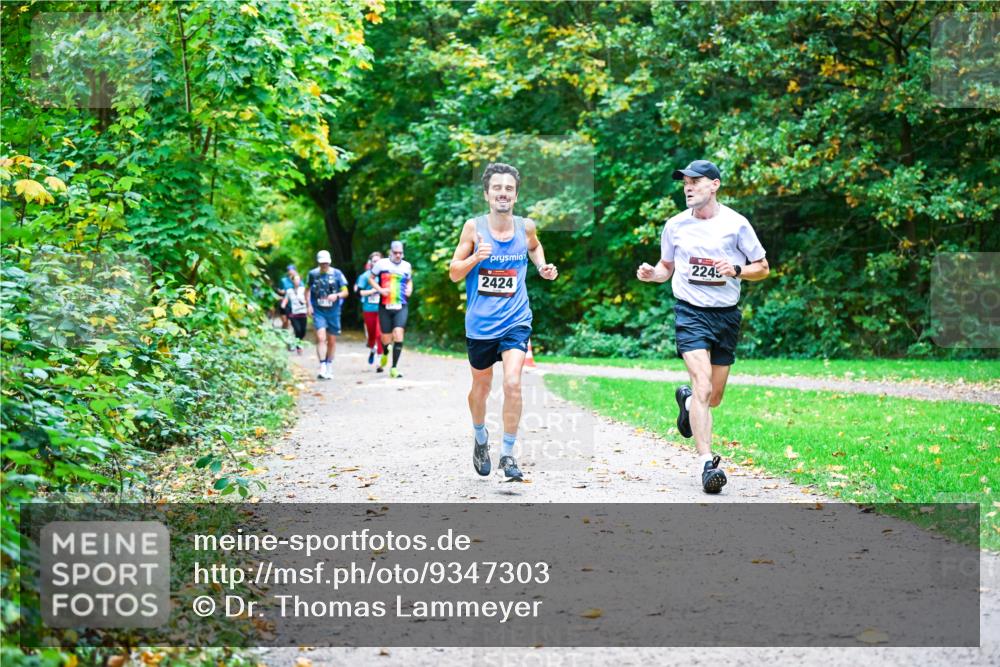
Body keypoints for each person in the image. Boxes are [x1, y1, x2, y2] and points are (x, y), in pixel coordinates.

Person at [636, 160, 769, 494]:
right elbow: (666, 267)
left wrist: (738, 270)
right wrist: (653, 275)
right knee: (703, 386)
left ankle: (686, 403)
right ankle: (707, 464)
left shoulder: (737, 224)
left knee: (714, 397)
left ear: (715, 185)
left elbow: (763, 267)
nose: (688, 187)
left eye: (695, 182)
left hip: (726, 315)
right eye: (685, 183)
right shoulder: (675, 226)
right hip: (690, 313)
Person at [448, 162, 558, 481]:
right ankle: (480, 437)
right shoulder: (473, 228)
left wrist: (542, 266)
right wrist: (474, 259)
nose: (503, 193)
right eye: (497, 188)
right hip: (480, 325)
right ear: (487, 194)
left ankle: (508, 454)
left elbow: (535, 248)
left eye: (509, 188)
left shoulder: (526, 227)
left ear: (516, 195)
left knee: (512, 382)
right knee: (480, 389)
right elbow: (454, 273)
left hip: (516, 319)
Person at [371, 241, 413, 379]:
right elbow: (371, 278)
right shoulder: (381, 264)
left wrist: (410, 289)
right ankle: (384, 352)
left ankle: (394, 368)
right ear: (391, 252)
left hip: (401, 305)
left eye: (400, 253)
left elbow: (409, 280)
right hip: (385, 306)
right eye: (395, 253)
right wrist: (380, 290)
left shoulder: (406, 266)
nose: (398, 255)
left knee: (399, 334)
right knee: (386, 338)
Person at [305, 250, 349, 380]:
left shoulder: (337, 274)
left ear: (329, 262)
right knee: (320, 337)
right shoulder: (313, 274)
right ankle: (322, 366)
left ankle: (329, 365)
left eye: (326, 263)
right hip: (319, 310)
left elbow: (346, 292)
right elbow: (307, 290)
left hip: (333, 311)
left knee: (332, 341)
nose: (324, 265)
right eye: (321, 263)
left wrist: (337, 295)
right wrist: (309, 305)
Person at [355, 252, 387, 372]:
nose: (376, 263)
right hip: (369, 309)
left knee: (380, 334)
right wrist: (373, 291)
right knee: (372, 336)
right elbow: (358, 293)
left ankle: (379, 361)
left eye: (378, 261)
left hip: (383, 309)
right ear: (370, 263)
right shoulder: (365, 276)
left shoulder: (386, 275)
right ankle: (372, 349)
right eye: (374, 261)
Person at [281, 272, 308, 355]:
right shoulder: (289, 291)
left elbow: (308, 299)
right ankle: (299, 347)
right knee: (297, 330)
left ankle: (299, 342)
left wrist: (305, 302)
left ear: (300, 280)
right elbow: (286, 300)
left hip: (303, 313)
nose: (297, 281)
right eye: (295, 280)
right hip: (294, 314)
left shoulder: (303, 289)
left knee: (303, 331)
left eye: (298, 280)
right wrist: (283, 305)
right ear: (292, 281)